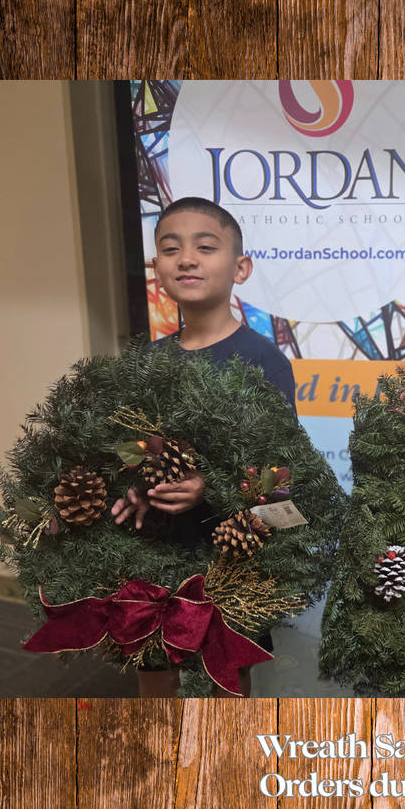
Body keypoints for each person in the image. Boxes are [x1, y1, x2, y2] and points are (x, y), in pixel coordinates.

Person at [111, 197, 297, 699]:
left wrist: (208, 486)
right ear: (157, 268)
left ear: (241, 268)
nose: (187, 259)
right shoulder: (147, 362)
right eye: (171, 249)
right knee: (154, 673)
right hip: (155, 555)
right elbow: (133, 448)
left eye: (206, 247)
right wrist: (135, 488)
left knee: (224, 683)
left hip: (228, 562)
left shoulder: (264, 361)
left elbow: (279, 477)